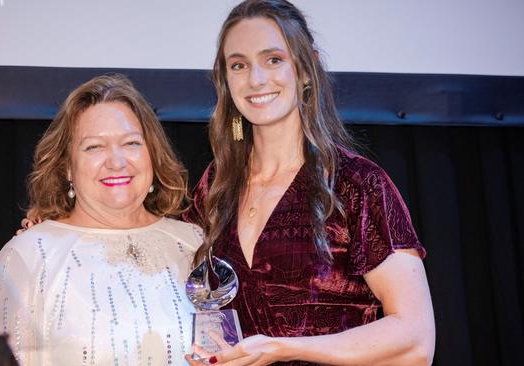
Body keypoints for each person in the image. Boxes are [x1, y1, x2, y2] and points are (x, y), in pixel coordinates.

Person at [183, 0, 435, 365]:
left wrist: (283, 348)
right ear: (225, 80)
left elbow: (416, 339)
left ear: (305, 70)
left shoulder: (356, 183)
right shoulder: (214, 187)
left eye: (273, 59)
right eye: (238, 65)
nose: (256, 79)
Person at [0, 74, 203, 366]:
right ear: (67, 167)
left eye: (132, 143)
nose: (116, 161)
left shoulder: (194, 243)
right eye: (94, 147)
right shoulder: (30, 255)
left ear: (153, 155)